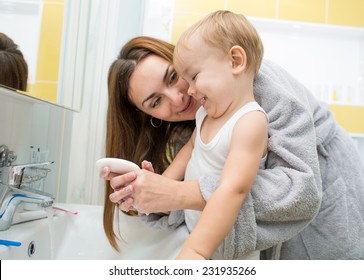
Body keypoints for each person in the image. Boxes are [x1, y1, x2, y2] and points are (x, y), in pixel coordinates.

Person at [103, 17, 364, 260]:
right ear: (148, 116)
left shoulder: (257, 89)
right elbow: (193, 200)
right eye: (156, 101)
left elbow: (298, 190)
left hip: (328, 208)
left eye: (174, 77)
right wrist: (151, 194)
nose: (180, 97)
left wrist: (181, 195)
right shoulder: (194, 124)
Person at [159, 11, 268, 260]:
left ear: (236, 61)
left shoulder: (250, 121)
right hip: (197, 237)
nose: (190, 90)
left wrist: (197, 250)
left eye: (194, 77)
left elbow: (233, 190)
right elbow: (189, 148)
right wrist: (164, 183)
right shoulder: (205, 116)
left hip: (226, 250)